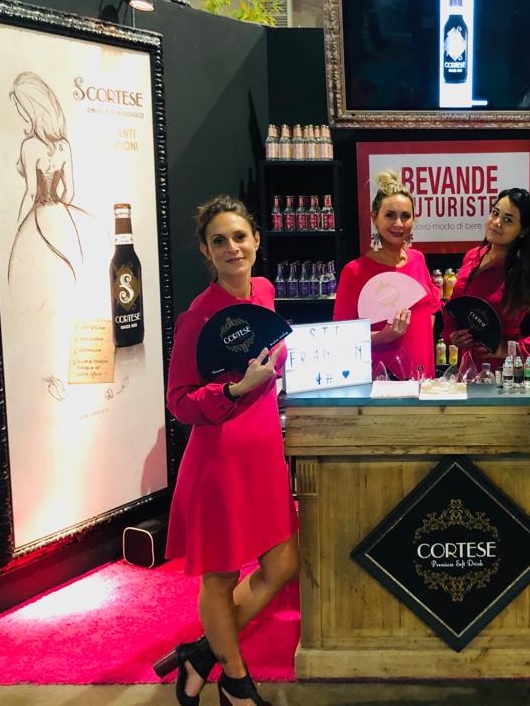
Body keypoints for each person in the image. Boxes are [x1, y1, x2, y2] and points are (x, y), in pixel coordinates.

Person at [155, 196, 298, 706]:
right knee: (220, 576)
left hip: (264, 456)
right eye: (219, 241)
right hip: (220, 461)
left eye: (240, 236)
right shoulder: (198, 317)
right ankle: (235, 683)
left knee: (283, 565)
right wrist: (235, 390)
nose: (232, 248)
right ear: (206, 251)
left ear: (256, 240)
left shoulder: (265, 291)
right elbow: (179, 402)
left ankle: (200, 655)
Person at [443, 188, 530, 370]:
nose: (496, 222)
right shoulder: (473, 256)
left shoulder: (528, 273)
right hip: (466, 369)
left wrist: (512, 350)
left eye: (508, 220)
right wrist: (453, 335)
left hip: (502, 374)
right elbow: (456, 305)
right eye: (495, 213)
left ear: (523, 231)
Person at [333, 169, 441, 379]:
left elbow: (431, 309)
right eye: (390, 215)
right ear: (375, 218)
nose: (398, 224)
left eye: (405, 216)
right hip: (382, 379)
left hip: (423, 374)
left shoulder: (418, 259)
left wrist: (420, 338)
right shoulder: (355, 272)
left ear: (414, 219)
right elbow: (341, 336)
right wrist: (384, 336)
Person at [8, 71, 100, 285]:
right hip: (60, 214)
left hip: (37, 215)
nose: (21, 112)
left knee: (35, 273)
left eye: (21, 107)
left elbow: (31, 193)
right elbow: (70, 191)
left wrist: (19, 225)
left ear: (31, 108)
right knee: (63, 272)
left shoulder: (30, 146)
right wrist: (59, 210)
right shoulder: (63, 146)